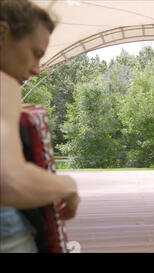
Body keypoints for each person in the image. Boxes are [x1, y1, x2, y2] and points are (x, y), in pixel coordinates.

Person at [0, 0, 80, 252]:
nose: (36, 70)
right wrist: (68, 185)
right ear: (2, 33)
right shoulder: (4, 84)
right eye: (35, 53)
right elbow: (10, 181)